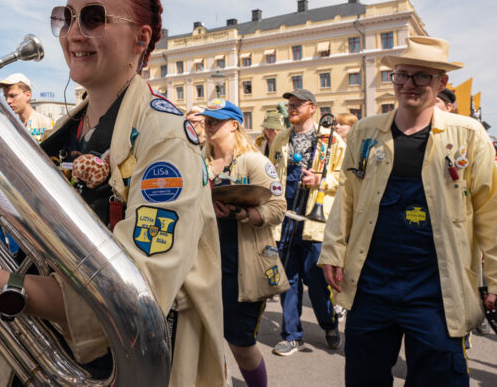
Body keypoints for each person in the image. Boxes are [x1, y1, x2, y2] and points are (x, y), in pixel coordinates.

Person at [0, 0, 228, 386]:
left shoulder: (166, 135)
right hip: (55, 347)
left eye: (93, 18)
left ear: (140, 39)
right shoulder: (66, 129)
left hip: (121, 364)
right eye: (65, 17)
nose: (73, 33)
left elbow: (137, 295)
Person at [319, 36, 497, 386]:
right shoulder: (366, 131)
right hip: (371, 281)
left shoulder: (468, 135)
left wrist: (494, 278)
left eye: (421, 77)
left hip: (436, 287)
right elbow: (348, 197)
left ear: (441, 83)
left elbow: (490, 211)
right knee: (363, 376)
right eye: (401, 75)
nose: (408, 85)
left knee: (439, 377)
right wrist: (333, 249)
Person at [201, 99, 286, 387]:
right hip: (205, 263)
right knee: (204, 340)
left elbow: (277, 208)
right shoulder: (198, 162)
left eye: (216, 120)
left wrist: (243, 213)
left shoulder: (254, 161)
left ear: (235, 125)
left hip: (243, 266)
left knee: (240, 343)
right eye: (207, 119)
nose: (208, 124)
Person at [268, 88, 344, 356]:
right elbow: (271, 173)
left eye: (298, 105)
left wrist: (321, 180)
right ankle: (291, 335)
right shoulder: (280, 140)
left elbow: (344, 177)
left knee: (317, 282)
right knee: (288, 281)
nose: (292, 109)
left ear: (312, 108)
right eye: (289, 104)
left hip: (315, 222)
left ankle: (329, 323)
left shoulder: (331, 140)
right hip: (286, 221)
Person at [0, 73, 54, 140]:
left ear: (27, 95)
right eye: (5, 96)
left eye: (12, 96)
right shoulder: (11, 125)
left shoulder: (47, 123)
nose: (7, 101)